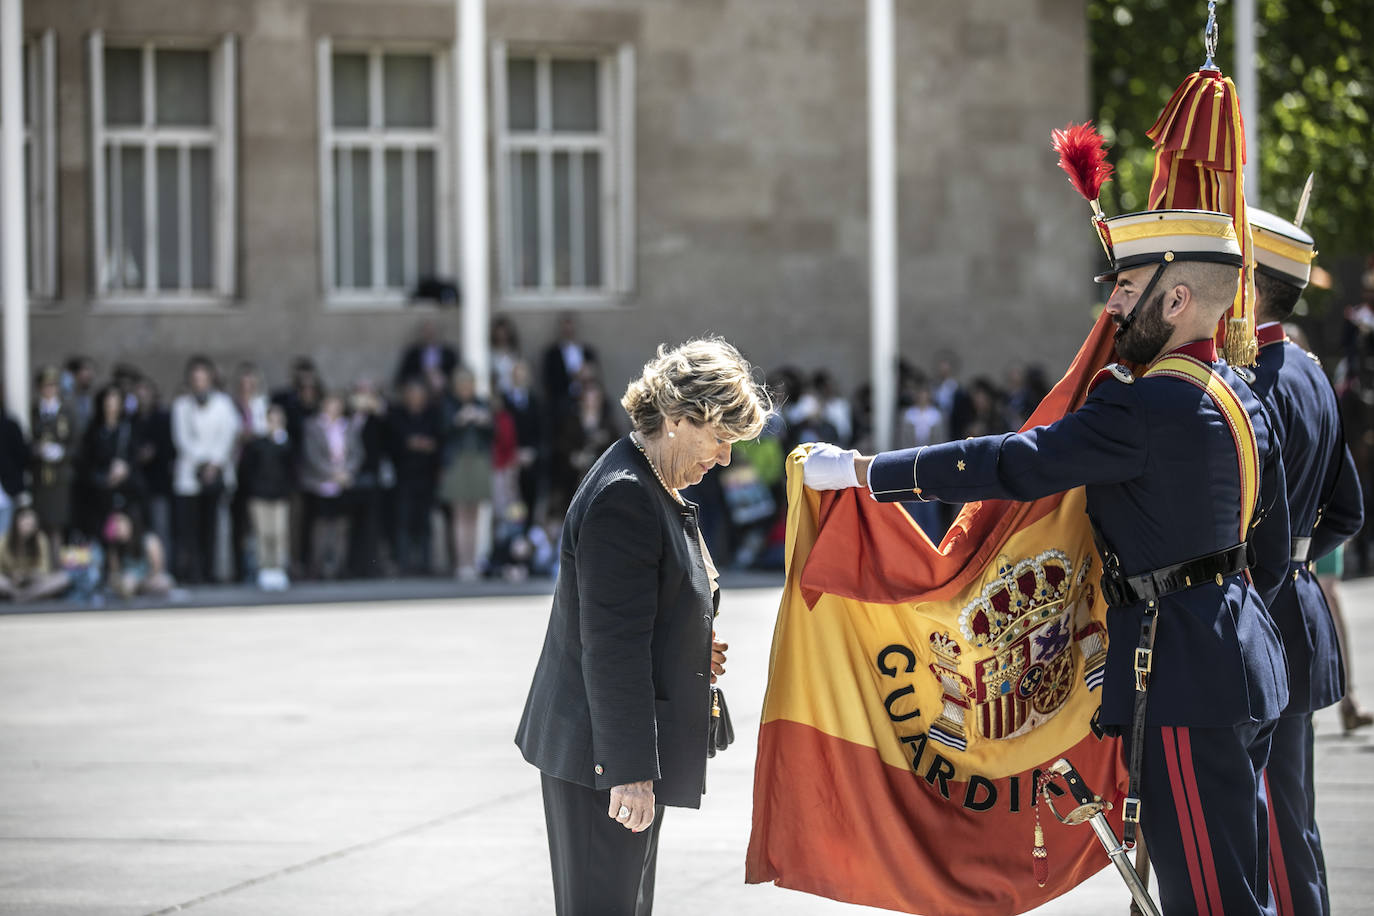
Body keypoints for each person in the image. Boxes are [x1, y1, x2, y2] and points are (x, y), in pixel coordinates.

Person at [804, 209, 1291, 915]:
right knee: (1238, 880)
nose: (1112, 306)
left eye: (1126, 288)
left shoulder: (1145, 403)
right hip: (1244, 658)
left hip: (1184, 673)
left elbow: (1015, 463)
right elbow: (1265, 548)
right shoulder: (1240, 396)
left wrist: (865, 471)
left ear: (1176, 299)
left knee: (1209, 900)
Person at [516, 337, 770, 916]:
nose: (726, 458)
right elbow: (611, 648)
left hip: (610, 747)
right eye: (721, 439)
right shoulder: (627, 497)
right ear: (680, 420)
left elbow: (644, 613)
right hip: (600, 758)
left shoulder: (651, 479)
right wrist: (629, 773)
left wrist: (689, 644)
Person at [1246, 207, 1365, 915]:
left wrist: (1267, 567)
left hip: (1257, 618)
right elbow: (1346, 512)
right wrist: (1295, 558)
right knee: (1294, 816)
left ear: (1251, 286)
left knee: (1267, 817)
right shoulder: (1312, 374)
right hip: (1295, 605)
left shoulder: (1254, 382)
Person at [171, 355, 241, 584]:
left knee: (211, 528)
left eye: (203, 378)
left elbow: (229, 435)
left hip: (216, 475)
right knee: (188, 530)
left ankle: (211, 572)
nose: (199, 383)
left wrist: (214, 463)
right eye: (195, 379)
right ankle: (191, 572)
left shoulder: (223, 404)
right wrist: (201, 462)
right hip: (190, 476)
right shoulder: (182, 406)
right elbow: (182, 439)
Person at [299, 392, 362, 580]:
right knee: (320, 526)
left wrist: (346, 472)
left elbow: (357, 453)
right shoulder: (313, 426)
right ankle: (318, 566)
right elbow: (312, 455)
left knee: (341, 525)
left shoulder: (348, 426)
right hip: (320, 483)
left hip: (344, 482)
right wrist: (332, 473)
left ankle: (337, 566)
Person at [438, 369, 493, 580]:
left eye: (469, 384)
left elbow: (492, 433)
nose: (466, 389)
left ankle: (473, 560)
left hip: (478, 460)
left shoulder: (481, 402)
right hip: (457, 462)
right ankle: (461, 563)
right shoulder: (448, 404)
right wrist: (458, 420)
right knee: (460, 514)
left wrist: (483, 420)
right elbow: (442, 430)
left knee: (475, 513)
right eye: (462, 384)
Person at [388, 377, 442, 575]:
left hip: (426, 476)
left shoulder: (432, 415)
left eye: (419, 395)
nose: (415, 399)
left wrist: (427, 445)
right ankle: (403, 564)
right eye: (411, 395)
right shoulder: (398, 415)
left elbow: (439, 441)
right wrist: (409, 444)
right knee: (403, 522)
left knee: (425, 523)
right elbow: (393, 442)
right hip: (404, 476)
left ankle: (426, 564)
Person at [77, 384, 145, 537]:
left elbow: (135, 457)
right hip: (99, 494)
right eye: (108, 402)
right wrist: (102, 477)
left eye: (115, 401)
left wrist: (125, 469)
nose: (111, 406)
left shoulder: (128, 428)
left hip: (125, 492)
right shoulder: (93, 430)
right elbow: (86, 461)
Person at [240, 404, 294, 590]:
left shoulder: (286, 443)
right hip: (259, 495)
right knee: (263, 534)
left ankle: (279, 568)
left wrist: (281, 442)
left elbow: (292, 467)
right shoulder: (257, 444)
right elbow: (247, 469)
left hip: (280, 496)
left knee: (279, 533)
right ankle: (264, 568)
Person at [30, 366, 76, 544]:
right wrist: (37, 450)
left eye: (52, 385)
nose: (49, 390)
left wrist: (61, 452)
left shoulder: (67, 411)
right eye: (45, 386)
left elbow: (76, 442)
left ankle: (57, 565)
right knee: (40, 523)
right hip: (40, 476)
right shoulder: (35, 411)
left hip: (60, 476)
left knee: (58, 523)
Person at [0, 498, 70, 602]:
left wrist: (27, 575)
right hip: (11, 582)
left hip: (33, 582)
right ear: (16, 523)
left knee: (62, 579)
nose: (28, 527)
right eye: (25, 523)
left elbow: (44, 570)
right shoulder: (4, 540)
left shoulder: (40, 539)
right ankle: (18, 595)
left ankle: (23, 596)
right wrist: (13, 575)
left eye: (31, 524)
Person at [100, 509, 173, 599]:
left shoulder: (148, 540)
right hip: (127, 580)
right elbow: (115, 572)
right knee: (121, 583)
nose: (119, 527)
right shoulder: (115, 547)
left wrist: (142, 580)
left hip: (147, 580)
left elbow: (157, 568)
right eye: (116, 523)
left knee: (165, 581)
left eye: (121, 522)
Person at [394, 318, 458, 396]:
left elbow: (456, 374)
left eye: (432, 331)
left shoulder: (449, 353)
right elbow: (402, 376)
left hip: (445, 391)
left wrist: (442, 378)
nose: (430, 335)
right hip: (419, 390)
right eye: (427, 332)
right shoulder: (412, 353)